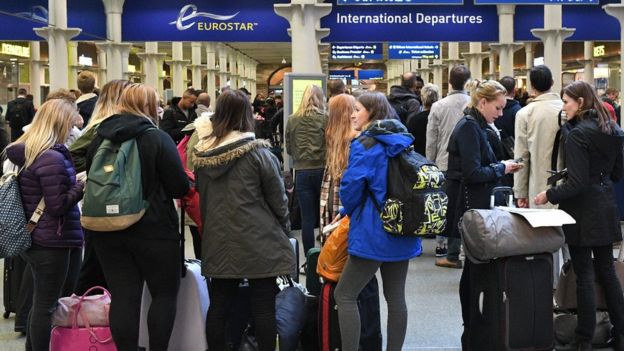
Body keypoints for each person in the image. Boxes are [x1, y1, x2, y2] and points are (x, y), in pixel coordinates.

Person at [85, 84, 189, 351]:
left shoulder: (99, 136)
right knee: (163, 295)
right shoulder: (156, 137)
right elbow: (178, 186)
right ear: (147, 106)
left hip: (106, 230)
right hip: (153, 228)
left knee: (123, 296)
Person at [193, 89, 295, 351]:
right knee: (263, 307)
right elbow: (279, 201)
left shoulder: (202, 158)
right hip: (259, 240)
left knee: (219, 306)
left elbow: (202, 200)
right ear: (247, 115)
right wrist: (284, 232)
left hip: (219, 239)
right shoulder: (259, 154)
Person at [535, 81, 624, 351]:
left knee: (584, 273)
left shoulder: (576, 135)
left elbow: (576, 184)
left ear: (580, 103)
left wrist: (548, 195)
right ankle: (620, 334)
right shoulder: (612, 129)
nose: (564, 107)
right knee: (608, 272)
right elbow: (617, 174)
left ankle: (583, 338)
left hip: (581, 210)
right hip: (606, 204)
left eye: (566, 102)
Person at [335, 92, 421, 351]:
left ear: (372, 113)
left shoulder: (366, 144)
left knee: (345, 294)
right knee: (395, 297)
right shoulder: (404, 140)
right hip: (404, 225)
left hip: (374, 229)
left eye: (358, 109)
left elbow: (351, 186)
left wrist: (346, 210)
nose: (352, 114)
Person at [444, 80, 521, 348]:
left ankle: (476, 328)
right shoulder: (469, 128)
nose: (501, 113)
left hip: (474, 207)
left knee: (474, 272)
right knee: (475, 273)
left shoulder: (475, 125)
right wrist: (502, 168)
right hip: (470, 209)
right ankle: (474, 328)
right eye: (498, 108)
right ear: (483, 102)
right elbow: (473, 173)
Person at [5, 98, 85, 351]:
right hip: (52, 239)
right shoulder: (50, 157)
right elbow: (57, 205)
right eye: (71, 124)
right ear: (60, 122)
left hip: (40, 237)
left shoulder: (30, 152)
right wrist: (80, 187)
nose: (72, 130)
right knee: (47, 306)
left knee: (42, 304)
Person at [69, 79, 132, 295]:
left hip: (106, 204)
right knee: (93, 267)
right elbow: (73, 154)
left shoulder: (113, 124)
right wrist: (96, 172)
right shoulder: (101, 126)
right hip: (100, 204)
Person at [426, 65, 471, 268]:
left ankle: (444, 246)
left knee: (446, 208)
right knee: (465, 207)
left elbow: (432, 140)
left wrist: (429, 164)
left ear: (449, 82)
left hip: (444, 164)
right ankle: (466, 249)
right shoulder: (474, 103)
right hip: (469, 164)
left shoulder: (438, 106)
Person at [285, 84, 327, 262]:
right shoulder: (325, 118)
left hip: (301, 171)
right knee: (325, 216)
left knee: (307, 219)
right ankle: (327, 258)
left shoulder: (292, 119)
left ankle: (310, 260)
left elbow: (288, 147)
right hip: (322, 171)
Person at [514, 65, 564, 209]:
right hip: (567, 188)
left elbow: (521, 156)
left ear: (531, 85)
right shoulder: (566, 110)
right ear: (553, 82)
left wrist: (520, 192)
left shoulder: (525, 114)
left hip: (537, 188)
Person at [406, 83, 445, 255]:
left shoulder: (415, 120)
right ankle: (438, 235)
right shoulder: (442, 117)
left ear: (422, 98)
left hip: (418, 167)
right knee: (439, 200)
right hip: (438, 164)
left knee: (419, 203)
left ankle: (418, 242)